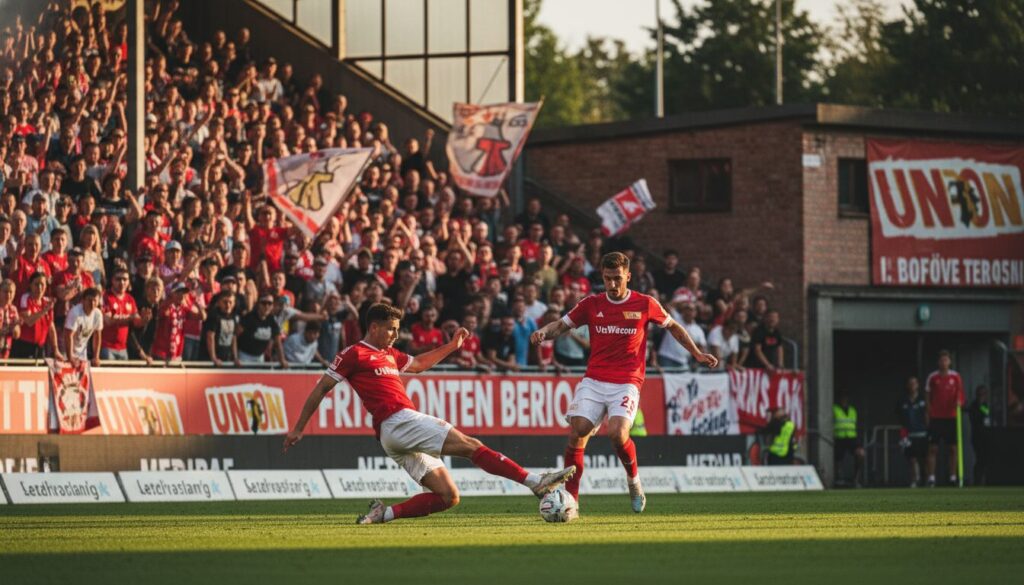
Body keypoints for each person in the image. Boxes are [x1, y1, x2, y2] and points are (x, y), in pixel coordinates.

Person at [283, 302, 575, 524]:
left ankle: (381, 514)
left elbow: (420, 364)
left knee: (448, 497)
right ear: (373, 327)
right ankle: (535, 482)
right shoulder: (353, 354)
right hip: (397, 421)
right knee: (471, 445)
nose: (396, 335)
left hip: (394, 435)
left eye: (397, 329)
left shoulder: (390, 354)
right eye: (391, 329)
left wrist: (451, 346)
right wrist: (299, 428)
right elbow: (321, 388)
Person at [530, 252, 717, 513]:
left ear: (628, 276)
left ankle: (634, 482)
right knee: (578, 430)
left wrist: (696, 353)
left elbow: (673, 326)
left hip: (627, 380)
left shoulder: (645, 303)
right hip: (594, 379)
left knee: (617, 434)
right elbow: (561, 325)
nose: (613, 284)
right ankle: (572, 500)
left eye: (617, 278)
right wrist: (543, 332)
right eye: (607, 279)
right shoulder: (591, 304)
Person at [925, 350, 965, 487]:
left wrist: (959, 402)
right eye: (941, 360)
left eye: (946, 360)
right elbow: (927, 397)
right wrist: (928, 414)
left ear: (950, 362)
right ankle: (931, 478)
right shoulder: (932, 377)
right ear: (938, 362)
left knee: (953, 449)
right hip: (936, 417)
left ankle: (953, 477)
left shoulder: (956, 377)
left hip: (951, 417)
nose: (944, 363)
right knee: (933, 449)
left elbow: (960, 394)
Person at [237, 291, 288, 367]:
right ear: (258, 304)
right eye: (264, 303)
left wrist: (282, 360)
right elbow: (235, 336)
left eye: (270, 303)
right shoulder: (249, 318)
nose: (266, 306)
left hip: (260, 357)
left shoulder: (272, 321)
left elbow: (278, 342)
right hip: (244, 356)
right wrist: (235, 356)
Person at [897, 377, 929, 487]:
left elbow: (927, 416)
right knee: (912, 459)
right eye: (910, 383)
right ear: (907, 386)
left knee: (924, 459)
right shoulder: (903, 401)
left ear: (918, 385)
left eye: (914, 383)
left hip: (922, 433)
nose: (912, 385)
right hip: (910, 434)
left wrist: (929, 430)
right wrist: (903, 436)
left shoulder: (923, 400)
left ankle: (927, 480)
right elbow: (901, 420)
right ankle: (914, 480)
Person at [64, 287, 104, 368]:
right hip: (65, 348)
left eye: (95, 300)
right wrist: (70, 356)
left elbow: (97, 336)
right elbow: (68, 335)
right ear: (83, 300)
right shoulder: (75, 312)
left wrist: (96, 356)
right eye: (89, 300)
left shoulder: (98, 314)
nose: (92, 303)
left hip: (81, 350)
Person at [833, 392, 865, 487]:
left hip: (851, 438)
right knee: (837, 458)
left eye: (846, 397)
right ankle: (838, 479)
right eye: (842, 397)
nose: (844, 399)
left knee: (861, 454)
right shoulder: (834, 409)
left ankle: (856, 479)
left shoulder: (852, 410)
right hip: (839, 437)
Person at [968, 384, 992, 486]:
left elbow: (989, 415)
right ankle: (977, 481)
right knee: (980, 458)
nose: (982, 396)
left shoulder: (986, 405)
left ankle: (987, 480)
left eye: (984, 394)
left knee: (987, 459)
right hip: (977, 436)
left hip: (987, 436)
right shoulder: (974, 406)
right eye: (980, 394)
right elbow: (974, 418)